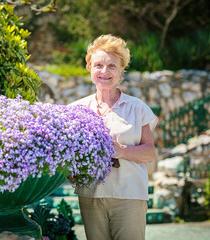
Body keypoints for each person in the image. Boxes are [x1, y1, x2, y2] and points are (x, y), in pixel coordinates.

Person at [69, 34, 158, 240]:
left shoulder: (137, 108)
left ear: (121, 70)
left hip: (129, 196)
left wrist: (121, 151)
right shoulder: (76, 110)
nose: (104, 71)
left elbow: (150, 152)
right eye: (98, 65)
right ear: (90, 68)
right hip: (90, 196)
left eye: (112, 66)